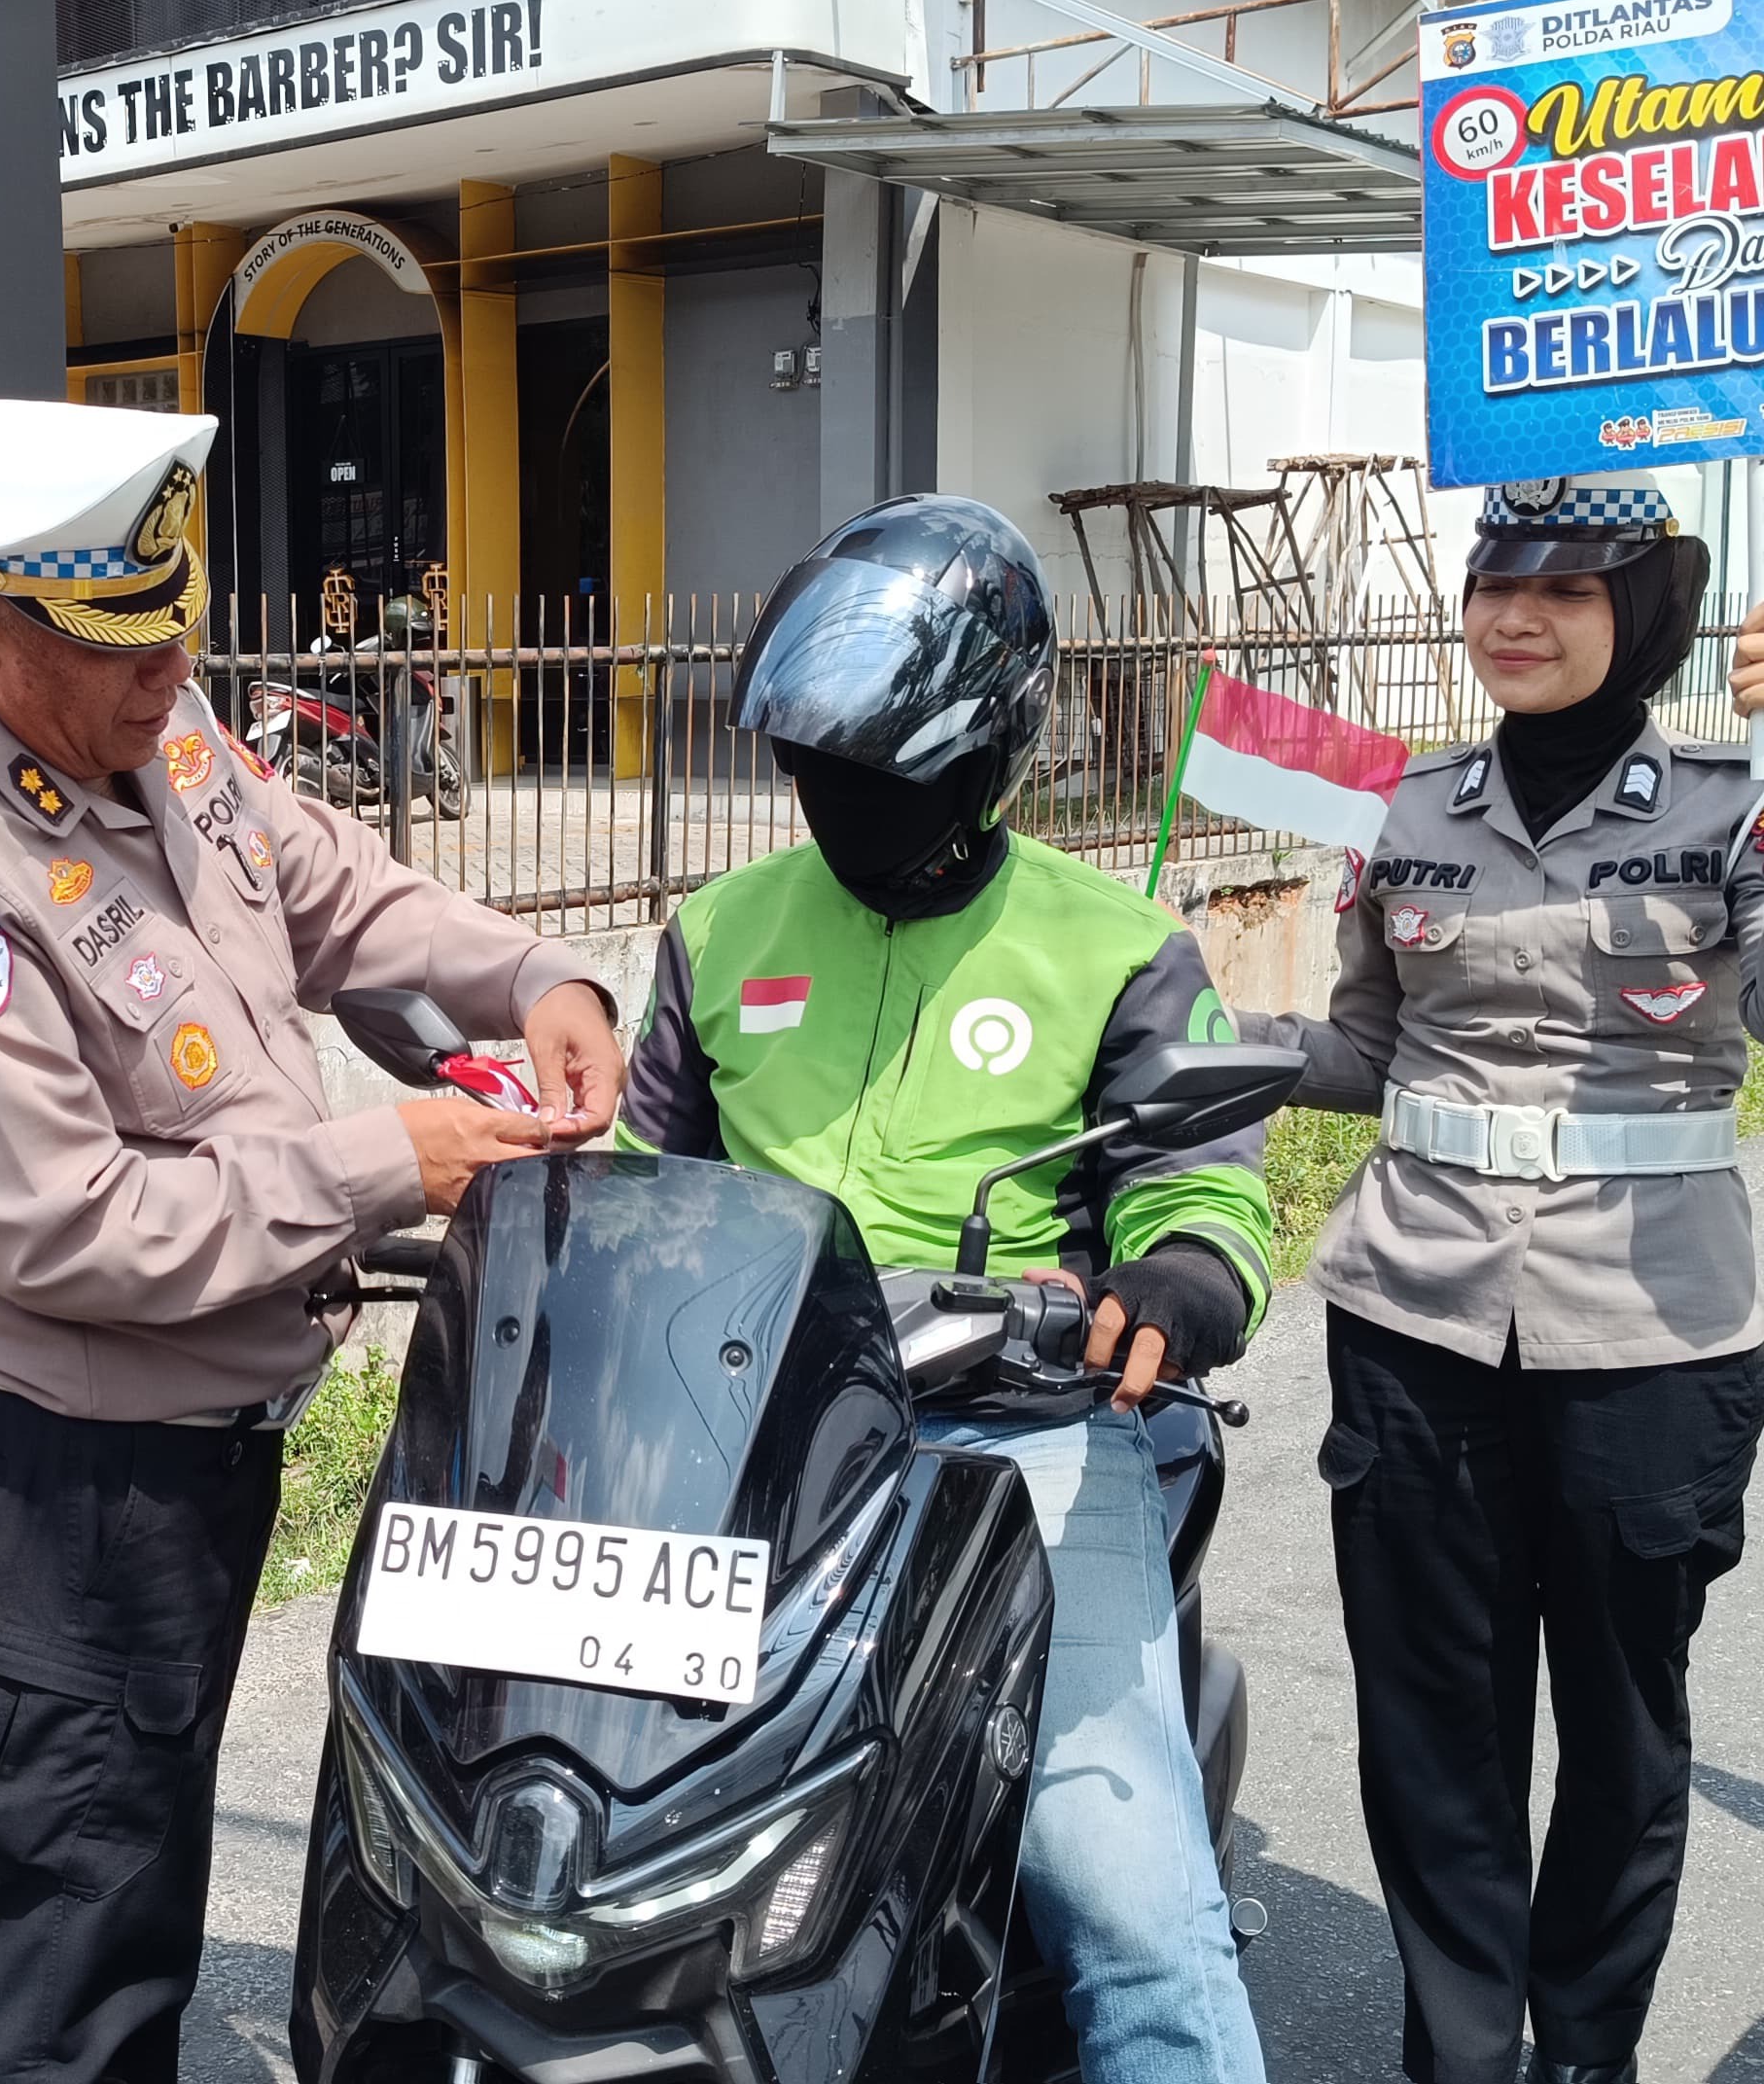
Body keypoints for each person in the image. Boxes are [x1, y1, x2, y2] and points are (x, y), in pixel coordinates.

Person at [0, 397, 622, 2084]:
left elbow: (333, 889)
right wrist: (383, 1164)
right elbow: (69, 1227)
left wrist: (534, 975)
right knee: (67, 1964)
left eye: (176, 630)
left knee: (143, 1887)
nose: (172, 675)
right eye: (120, 650)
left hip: (196, 1457)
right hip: (56, 1494)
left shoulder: (158, 729)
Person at [617, 495, 1273, 2084]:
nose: (838, 797)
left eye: (883, 770)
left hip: (1019, 1444)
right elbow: (643, 1191)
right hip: (745, 1443)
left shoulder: (1118, 946)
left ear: (988, 760)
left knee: (1133, 1910)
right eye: (814, 763)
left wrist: (1171, 1285)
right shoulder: (721, 932)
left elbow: (1201, 1196)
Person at [1242, 477, 1758, 2084]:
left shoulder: (1737, 807)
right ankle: (1460, 2060)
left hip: (1652, 1330)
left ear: (1645, 613)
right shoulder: (1400, 807)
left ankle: (1585, 2054)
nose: (1513, 620)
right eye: (1491, 586)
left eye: (1566, 591)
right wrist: (1201, 1033)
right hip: (1416, 1313)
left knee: (1620, 1728)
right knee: (1434, 1728)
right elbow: (1368, 1048)